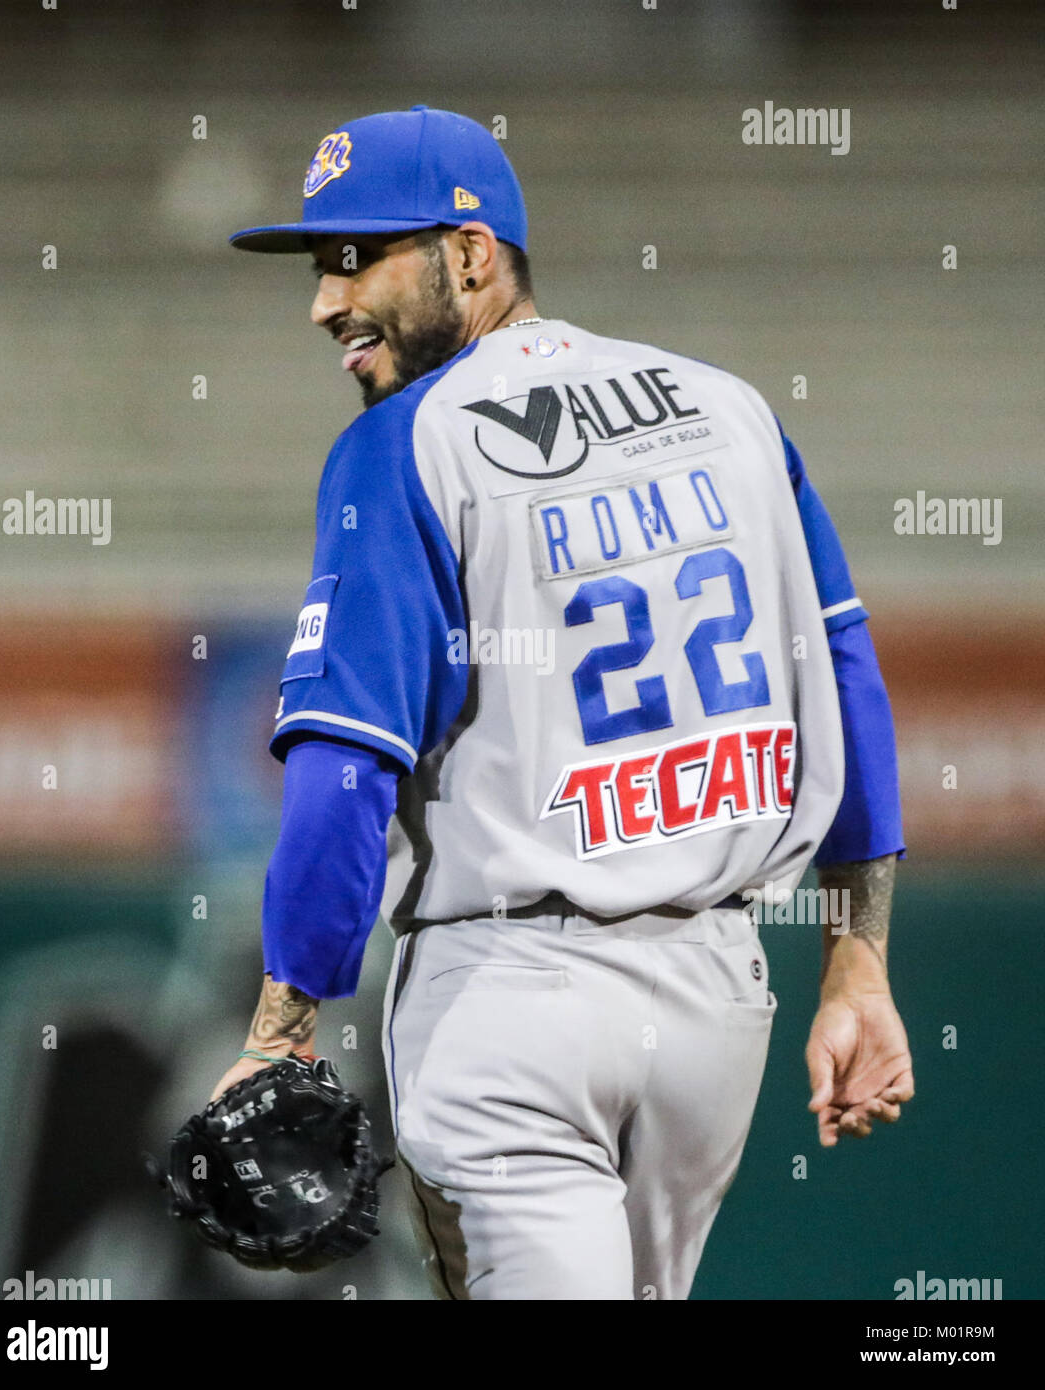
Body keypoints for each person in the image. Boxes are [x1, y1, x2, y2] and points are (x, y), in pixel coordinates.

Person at [212, 105, 913, 1300]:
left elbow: (340, 772)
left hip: (507, 1007)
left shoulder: (403, 444)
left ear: (471, 256)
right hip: (712, 1004)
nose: (324, 303)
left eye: (353, 258)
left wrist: (280, 1030)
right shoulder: (727, 409)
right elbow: (844, 679)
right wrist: (856, 963)